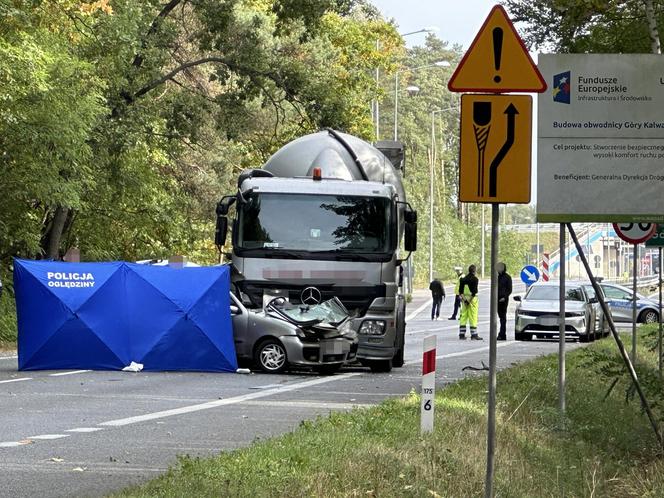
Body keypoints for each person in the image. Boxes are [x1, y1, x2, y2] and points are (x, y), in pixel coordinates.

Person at [459, 264, 482, 340]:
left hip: (464, 299)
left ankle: (461, 334)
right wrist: (469, 301)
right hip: (472, 300)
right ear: (474, 271)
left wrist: (465, 300)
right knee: (473, 317)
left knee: (463, 316)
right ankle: (474, 334)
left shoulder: (463, 279)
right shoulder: (475, 279)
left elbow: (460, 292)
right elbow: (474, 292)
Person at [497, 262, 512, 341]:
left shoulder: (507, 277)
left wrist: (504, 297)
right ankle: (500, 333)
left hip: (503, 300)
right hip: (496, 299)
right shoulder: (496, 277)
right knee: (499, 317)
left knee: (503, 318)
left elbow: (509, 290)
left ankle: (502, 334)